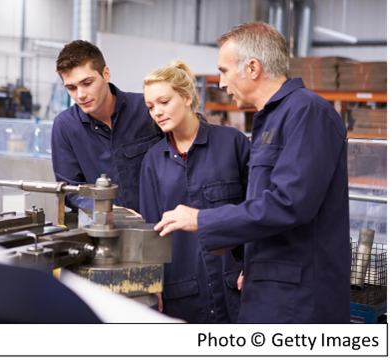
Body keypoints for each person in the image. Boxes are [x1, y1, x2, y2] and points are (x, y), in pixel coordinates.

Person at [154, 22, 351, 323]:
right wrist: (234, 244)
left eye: (224, 71)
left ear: (253, 68)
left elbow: (290, 204)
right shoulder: (270, 120)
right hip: (267, 290)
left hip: (299, 299)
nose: (221, 83)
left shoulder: (307, 112)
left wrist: (202, 219)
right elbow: (264, 207)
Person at [140, 60, 250, 323]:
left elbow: (258, 209)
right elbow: (150, 232)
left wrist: (253, 265)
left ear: (187, 97)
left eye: (164, 102)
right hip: (183, 291)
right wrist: (152, 287)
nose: (157, 112)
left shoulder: (232, 143)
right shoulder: (153, 161)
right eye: (151, 106)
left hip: (236, 284)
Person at [51, 40, 163, 213]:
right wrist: (110, 211)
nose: (80, 95)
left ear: (106, 74)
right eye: (71, 88)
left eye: (87, 83)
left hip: (161, 224)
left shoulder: (147, 109)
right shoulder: (65, 126)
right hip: (104, 231)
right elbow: (70, 191)